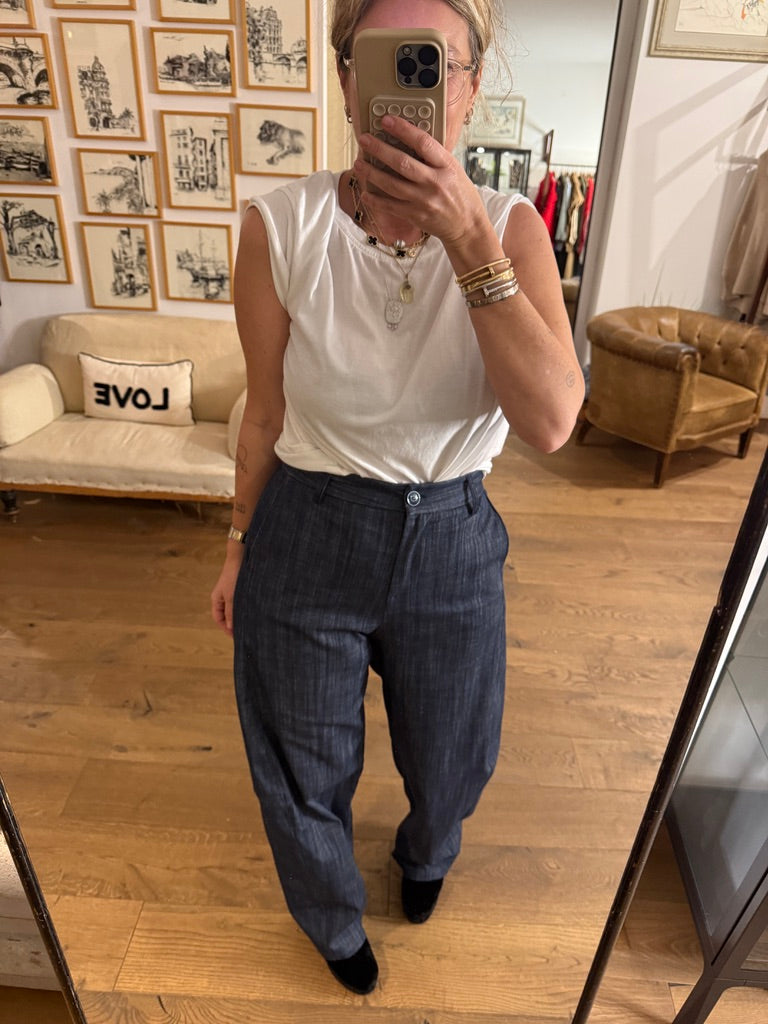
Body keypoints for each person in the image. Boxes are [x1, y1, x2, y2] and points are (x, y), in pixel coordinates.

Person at [211, 0, 584, 996]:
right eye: (382, 59)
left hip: (451, 534)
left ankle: (427, 850)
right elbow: (263, 411)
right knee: (301, 763)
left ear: (470, 86)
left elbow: (553, 421)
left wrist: (468, 239)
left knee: (456, 754)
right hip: (306, 528)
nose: (410, 87)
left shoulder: (514, 227)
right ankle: (333, 920)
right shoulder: (279, 227)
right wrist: (238, 545)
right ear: (346, 79)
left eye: (436, 62)